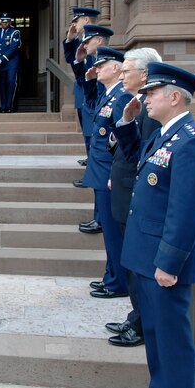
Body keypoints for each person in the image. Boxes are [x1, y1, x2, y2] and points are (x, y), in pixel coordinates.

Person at [113, 62, 195, 388]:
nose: (145, 98)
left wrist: (169, 264)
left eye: (151, 92)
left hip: (163, 263)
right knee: (157, 340)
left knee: (172, 345)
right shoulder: (163, 134)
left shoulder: (191, 142)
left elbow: (186, 211)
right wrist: (128, 121)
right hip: (146, 256)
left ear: (174, 97)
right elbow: (132, 157)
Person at [103, 48, 162, 348]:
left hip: (135, 194)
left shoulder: (153, 109)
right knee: (133, 264)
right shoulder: (139, 103)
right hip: (125, 187)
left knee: (139, 266)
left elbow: (145, 156)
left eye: (126, 71)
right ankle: (137, 316)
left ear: (144, 73)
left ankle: (141, 324)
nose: (122, 75)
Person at [79, 47, 132, 299]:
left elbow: (123, 141)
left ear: (117, 68)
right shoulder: (108, 95)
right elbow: (89, 108)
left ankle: (117, 282)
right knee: (109, 233)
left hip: (108, 172)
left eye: (102, 65)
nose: (96, 68)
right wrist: (89, 81)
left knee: (113, 233)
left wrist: (114, 171)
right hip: (100, 170)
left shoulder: (121, 97)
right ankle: (110, 275)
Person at [73, 24, 114, 234]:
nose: (84, 44)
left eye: (88, 41)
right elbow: (88, 92)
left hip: (105, 138)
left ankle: (100, 218)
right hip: (96, 122)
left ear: (98, 40)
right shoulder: (93, 62)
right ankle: (99, 217)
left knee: (102, 181)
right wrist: (79, 63)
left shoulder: (108, 64)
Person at [62, 6, 100, 166]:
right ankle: (90, 157)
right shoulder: (80, 41)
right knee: (86, 130)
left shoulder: (94, 41)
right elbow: (70, 59)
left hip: (91, 91)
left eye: (76, 21)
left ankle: (93, 160)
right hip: (82, 91)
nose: (74, 25)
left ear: (86, 19)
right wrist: (70, 40)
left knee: (93, 129)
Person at [0, 12, 21, 113]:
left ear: (10, 22)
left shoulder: (15, 32)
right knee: (2, 84)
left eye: (6, 22)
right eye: (3, 22)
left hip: (11, 63)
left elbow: (13, 48)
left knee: (11, 83)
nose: (4, 24)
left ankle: (10, 106)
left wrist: (2, 59)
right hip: (0, 63)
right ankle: (3, 107)